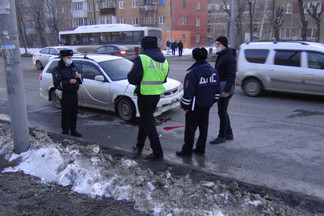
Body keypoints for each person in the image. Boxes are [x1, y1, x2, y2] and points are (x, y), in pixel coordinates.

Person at [127, 36, 169, 160]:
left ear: (143, 46)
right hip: (156, 95)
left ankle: (158, 153)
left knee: (149, 123)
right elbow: (164, 79)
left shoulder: (142, 58)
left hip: (145, 94)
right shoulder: (163, 60)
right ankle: (139, 144)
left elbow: (133, 78)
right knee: (145, 120)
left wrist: (131, 73)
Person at [176, 47, 221, 156]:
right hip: (207, 105)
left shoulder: (192, 74)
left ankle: (187, 150)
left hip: (194, 107)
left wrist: (185, 106)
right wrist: (211, 101)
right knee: (203, 127)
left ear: (194, 58)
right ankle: (201, 149)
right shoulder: (214, 71)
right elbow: (217, 91)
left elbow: (188, 93)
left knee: (190, 129)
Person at [210, 36, 236, 145]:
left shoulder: (228, 57)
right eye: (216, 44)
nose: (216, 46)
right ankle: (229, 133)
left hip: (225, 88)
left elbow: (232, 75)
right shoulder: (222, 55)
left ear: (224, 45)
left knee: (222, 111)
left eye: (218, 44)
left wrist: (226, 90)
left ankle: (222, 135)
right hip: (222, 86)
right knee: (223, 111)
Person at [52, 49, 83, 137]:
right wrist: (69, 81)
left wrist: (78, 77)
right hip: (65, 94)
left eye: (71, 57)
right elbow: (57, 84)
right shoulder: (58, 69)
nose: (70, 59)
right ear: (63, 58)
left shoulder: (72, 67)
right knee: (66, 113)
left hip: (74, 93)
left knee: (74, 113)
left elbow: (79, 79)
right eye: (68, 57)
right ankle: (65, 132)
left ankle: (73, 130)